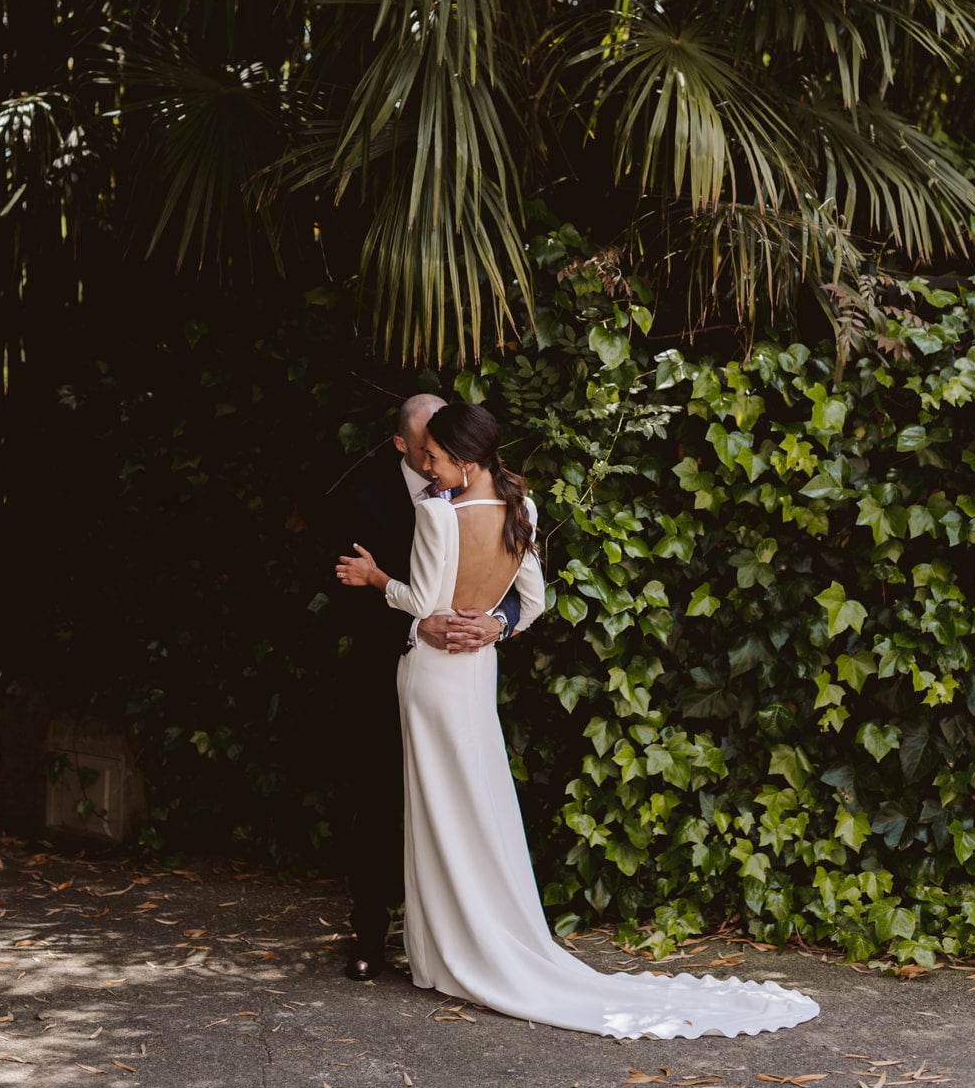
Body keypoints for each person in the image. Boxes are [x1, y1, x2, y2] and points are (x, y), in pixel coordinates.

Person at [336, 402, 820, 1039]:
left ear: (467, 458)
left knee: (436, 809)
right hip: (478, 667)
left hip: (432, 669)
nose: (426, 466)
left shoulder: (434, 515)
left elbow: (423, 604)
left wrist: (376, 579)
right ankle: (482, 938)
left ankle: (446, 953)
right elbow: (532, 602)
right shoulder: (524, 509)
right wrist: (495, 624)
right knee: (478, 802)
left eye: (435, 456)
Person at [332, 393, 521, 981]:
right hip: (385, 671)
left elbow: (513, 580)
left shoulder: (483, 499)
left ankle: (457, 938)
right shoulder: (365, 501)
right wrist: (417, 621)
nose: (435, 460)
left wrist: (499, 622)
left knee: (458, 799)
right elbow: (345, 593)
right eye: (426, 449)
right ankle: (371, 932)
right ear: (405, 447)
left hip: (457, 669)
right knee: (382, 800)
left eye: (443, 449)